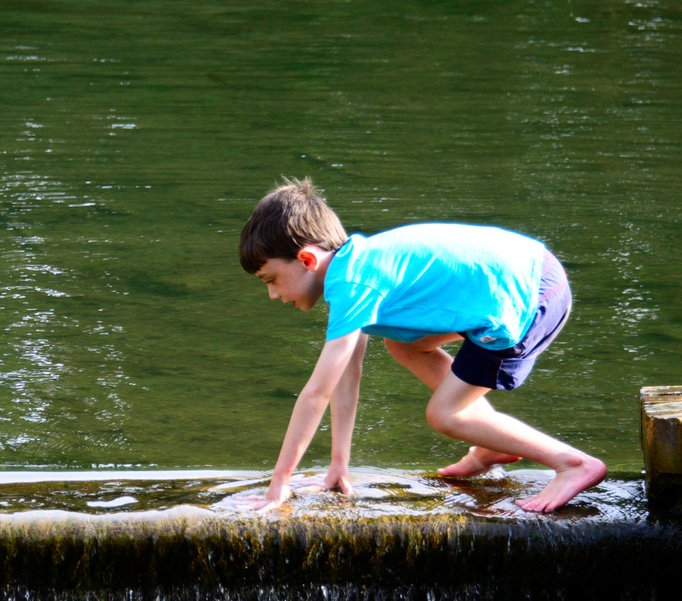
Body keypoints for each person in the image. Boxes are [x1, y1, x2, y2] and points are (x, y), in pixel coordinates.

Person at [239, 178, 604, 513]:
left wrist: (279, 485)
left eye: (271, 279)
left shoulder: (353, 286)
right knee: (403, 345)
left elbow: (316, 394)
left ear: (307, 259)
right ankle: (492, 443)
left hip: (526, 297)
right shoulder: (356, 268)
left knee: (444, 415)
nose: (273, 294)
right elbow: (347, 375)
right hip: (531, 274)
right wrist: (338, 465)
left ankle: (572, 463)